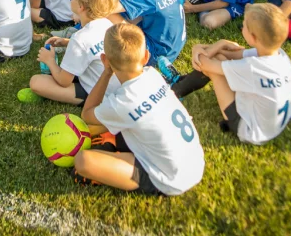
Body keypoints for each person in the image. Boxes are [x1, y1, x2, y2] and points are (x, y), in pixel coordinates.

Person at [74, 23, 205, 196]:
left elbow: (87, 114)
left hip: (168, 180)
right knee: (112, 126)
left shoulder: (123, 101)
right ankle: (114, 149)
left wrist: (106, 73)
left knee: (82, 161)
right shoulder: (153, 74)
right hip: (194, 162)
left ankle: (109, 166)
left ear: (105, 60)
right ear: (146, 56)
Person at [171, 3, 291, 146]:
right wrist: (220, 44)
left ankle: (174, 91)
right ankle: (178, 85)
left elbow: (204, 63)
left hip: (249, 130)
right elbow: (235, 54)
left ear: (253, 37)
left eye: (244, 26)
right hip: (271, 126)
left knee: (215, 69)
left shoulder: (252, 67)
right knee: (220, 60)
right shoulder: (279, 55)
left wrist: (197, 48)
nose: (241, 27)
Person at [19, 0, 119, 105]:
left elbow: (64, 81)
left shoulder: (81, 38)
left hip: (98, 94)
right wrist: (67, 42)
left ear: (81, 7)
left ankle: (84, 100)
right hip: (115, 88)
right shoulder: (108, 24)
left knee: (36, 82)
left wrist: (49, 61)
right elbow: (94, 49)